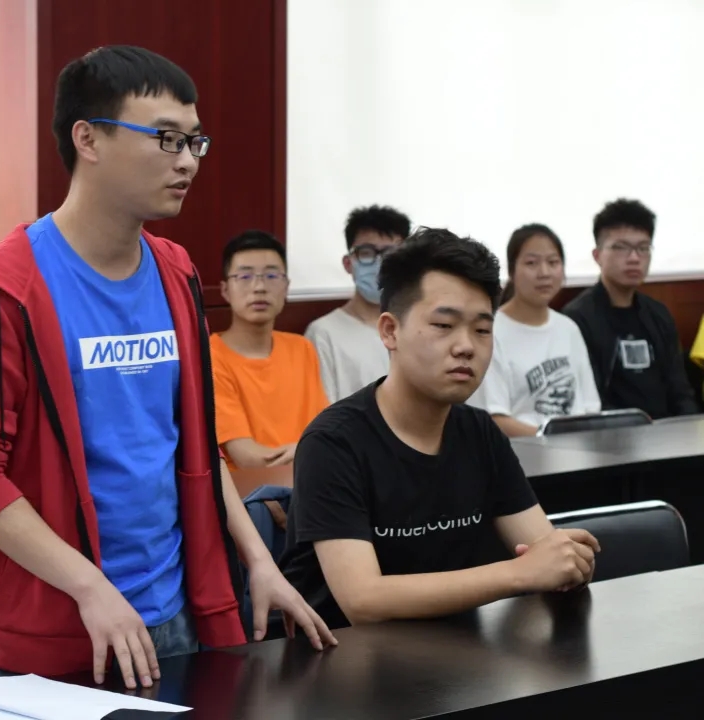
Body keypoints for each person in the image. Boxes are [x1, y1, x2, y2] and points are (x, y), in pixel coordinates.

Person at [0, 45, 334, 690]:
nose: (186, 160)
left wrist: (258, 559)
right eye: (166, 138)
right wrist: (90, 588)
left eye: (194, 142)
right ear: (87, 138)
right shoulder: (1, 291)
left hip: (178, 609)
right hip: (63, 626)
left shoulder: (175, 271)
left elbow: (194, 442)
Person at [279, 228, 600, 630]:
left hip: (463, 654)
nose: (466, 346)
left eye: (482, 330)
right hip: (352, 660)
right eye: (444, 325)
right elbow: (363, 600)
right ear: (390, 331)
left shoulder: (479, 432)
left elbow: (543, 550)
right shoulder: (333, 442)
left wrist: (567, 561)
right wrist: (520, 573)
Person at [562, 199, 698, 419]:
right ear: (597, 256)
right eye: (621, 248)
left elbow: (680, 392)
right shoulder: (577, 318)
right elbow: (590, 402)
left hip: (668, 432)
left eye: (643, 248)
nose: (634, 258)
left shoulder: (658, 314)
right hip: (612, 433)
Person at [212, 230, 328, 468]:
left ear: (286, 286)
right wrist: (311, 451)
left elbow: (325, 432)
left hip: (311, 480)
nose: (259, 287)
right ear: (225, 290)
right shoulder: (210, 356)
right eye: (245, 276)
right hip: (251, 488)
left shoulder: (301, 348)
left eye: (272, 275)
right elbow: (249, 458)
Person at [472, 224, 601, 436]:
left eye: (553, 262)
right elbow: (493, 419)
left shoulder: (568, 328)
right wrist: (549, 440)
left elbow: (590, 408)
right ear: (512, 271)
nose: (544, 273)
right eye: (531, 263)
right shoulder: (490, 331)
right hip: (522, 450)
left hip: (579, 448)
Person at [305, 205, 411, 402]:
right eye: (367, 252)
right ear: (348, 263)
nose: (380, 264)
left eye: (391, 253)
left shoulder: (417, 327)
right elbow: (323, 412)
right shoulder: (323, 334)